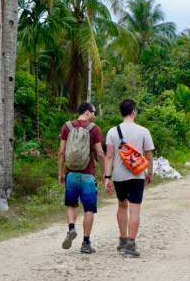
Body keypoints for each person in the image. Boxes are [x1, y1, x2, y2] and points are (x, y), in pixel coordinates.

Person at [104, 99, 155, 258]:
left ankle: (123, 241)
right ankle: (131, 245)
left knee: (121, 206)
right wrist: (150, 173)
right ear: (133, 111)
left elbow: (109, 156)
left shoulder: (112, 132)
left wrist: (107, 177)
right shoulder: (143, 131)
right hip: (137, 175)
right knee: (135, 209)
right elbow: (149, 156)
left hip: (119, 176)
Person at [58, 102, 106, 254]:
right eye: (94, 112)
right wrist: (104, 172)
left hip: (71, 173)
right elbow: (100, 154)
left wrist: (60, 172)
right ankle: (86, 243)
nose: (95, 115)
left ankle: (71, 228)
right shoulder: (94, 129)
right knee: (89, 209)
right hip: (88, 174)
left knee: (71, 204)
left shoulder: (66, 127)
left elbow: (61, 152)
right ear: (87, 112)